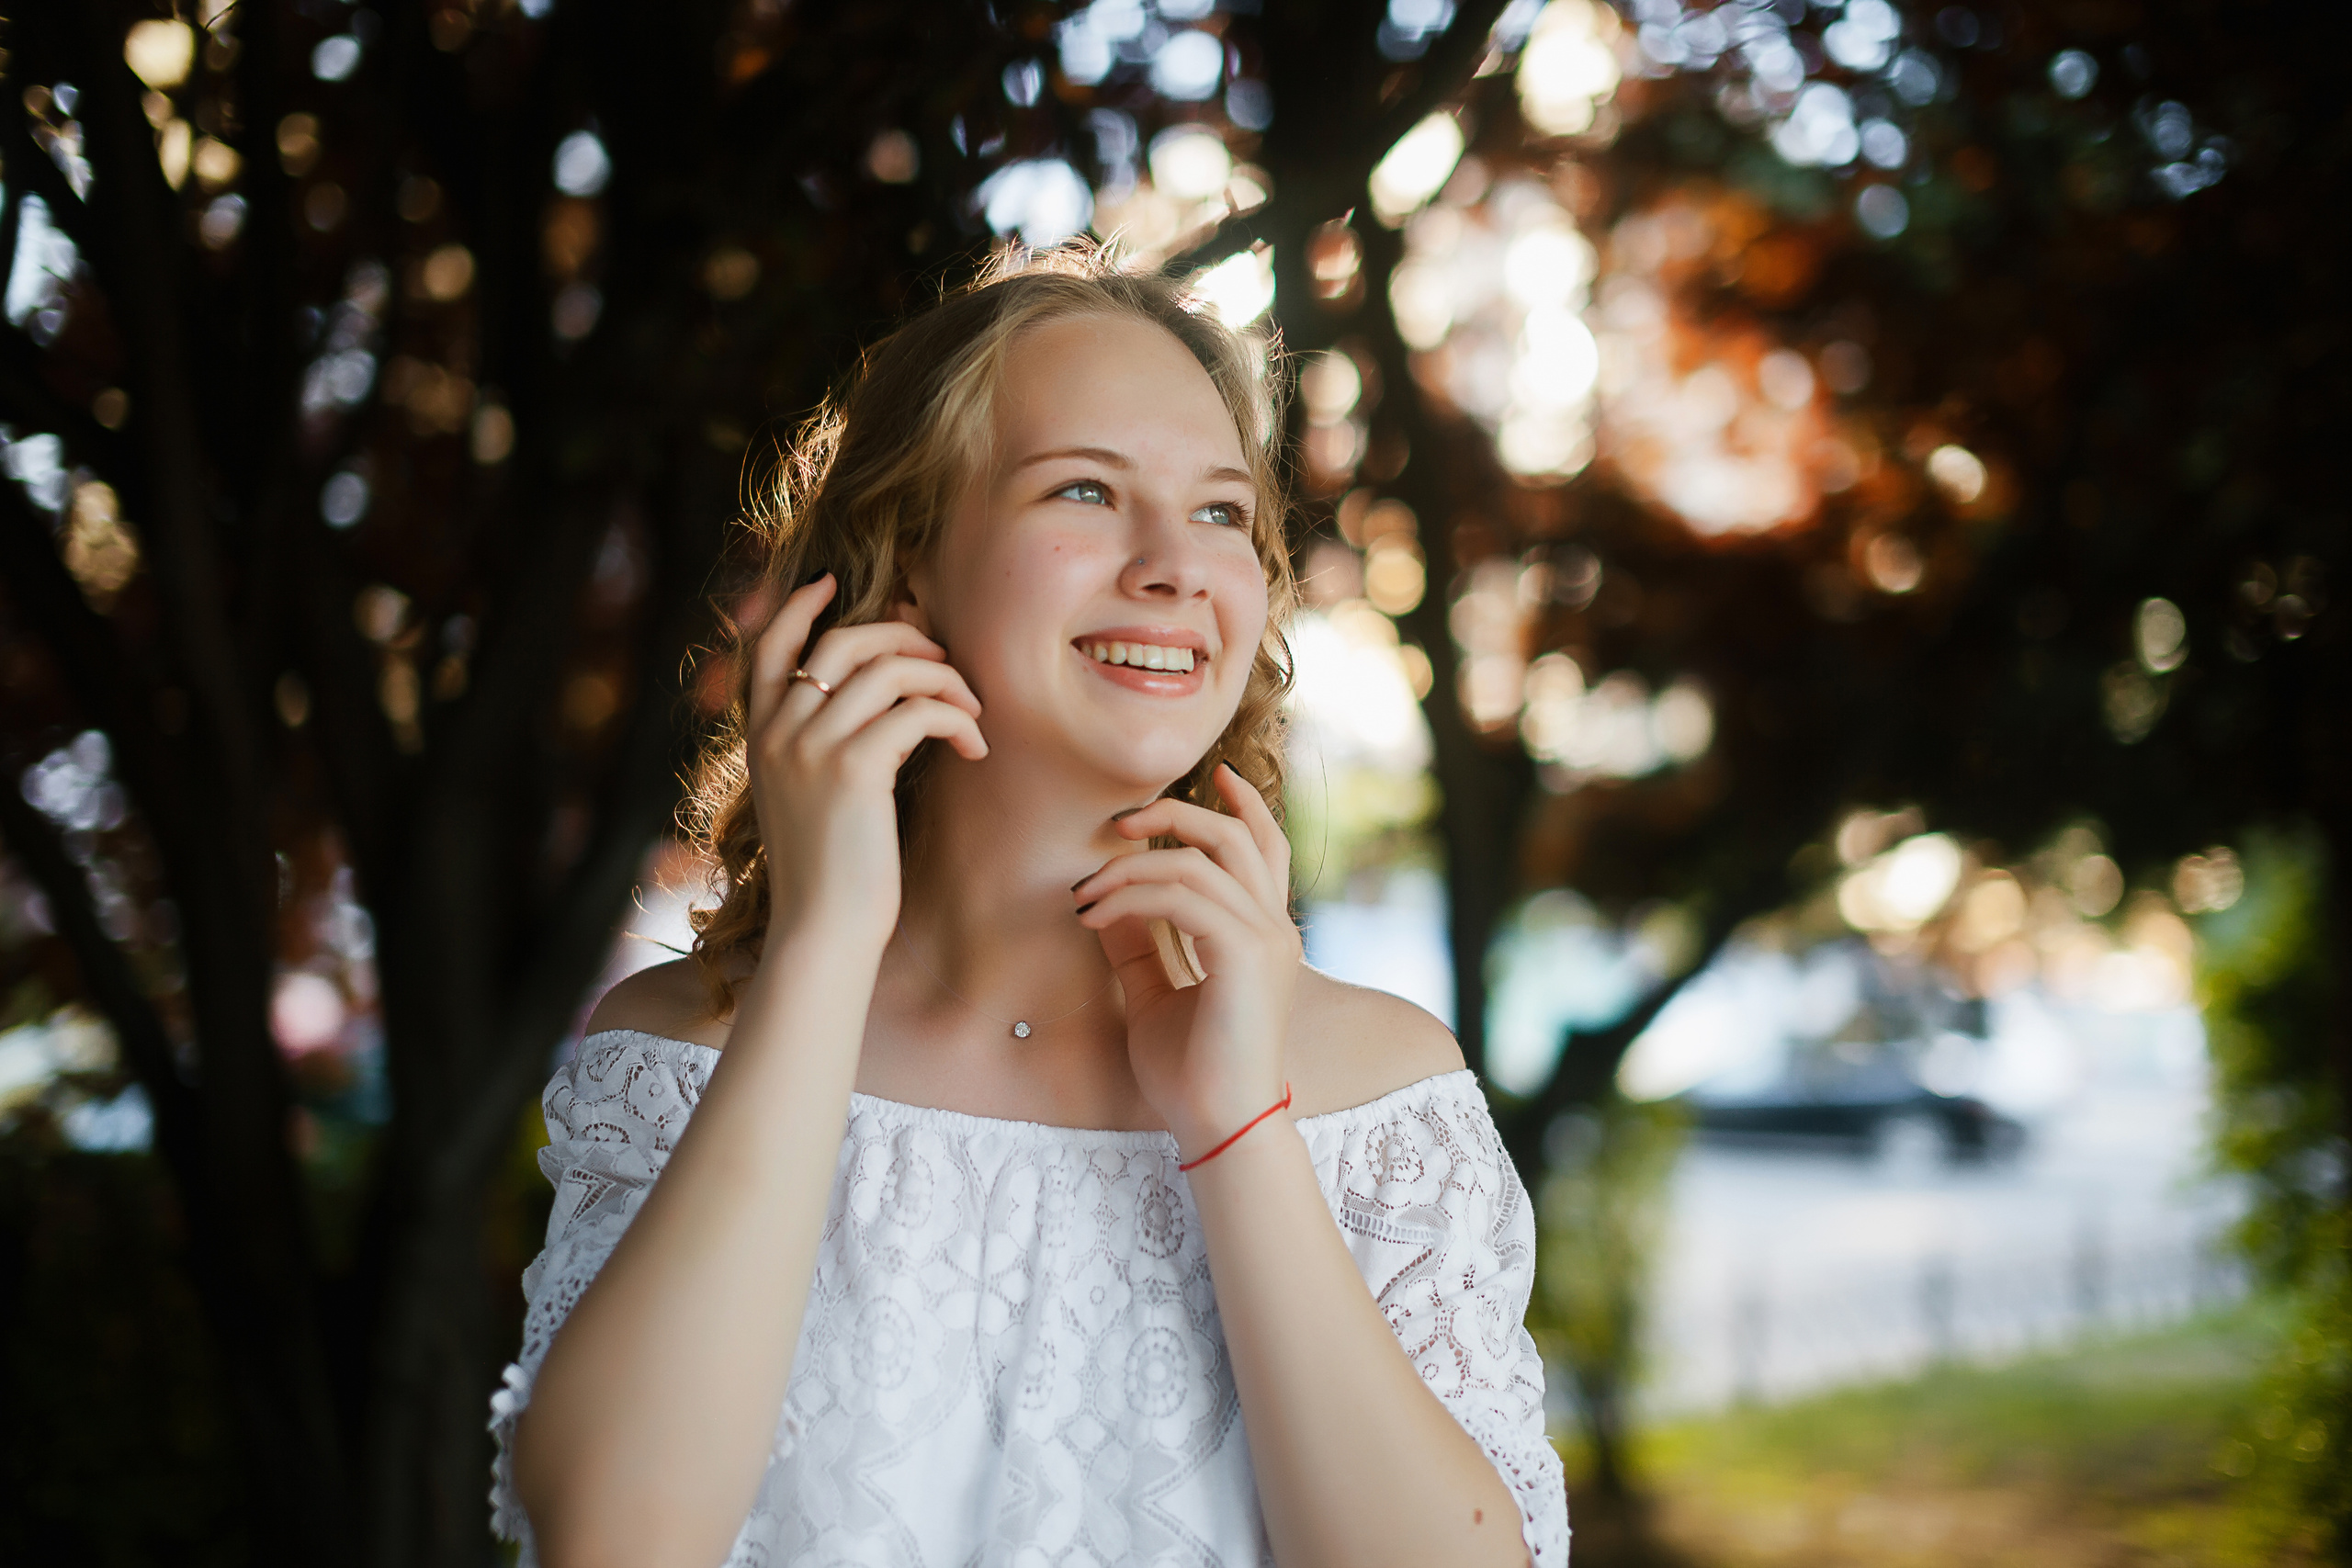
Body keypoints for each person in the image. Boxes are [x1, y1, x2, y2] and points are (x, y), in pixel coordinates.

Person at [489, 246, 1567, 1568]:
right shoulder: (688, 1049)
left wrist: (1239, 1125)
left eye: (1224, 513)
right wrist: (825, 948)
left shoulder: (1377, 1089)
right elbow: (609, 1543)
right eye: (1085, 491)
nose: (1178, 565)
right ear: (906, 564)